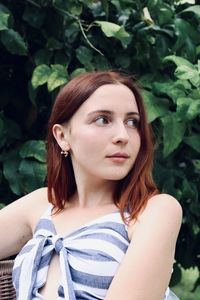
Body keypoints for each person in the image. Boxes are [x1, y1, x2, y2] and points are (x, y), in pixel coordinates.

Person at [0, 71, 182, 300]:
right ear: (62, 136)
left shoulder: (153, 211)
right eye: (103, 119)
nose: (122, 135)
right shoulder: (44, 203)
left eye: (132, 122)